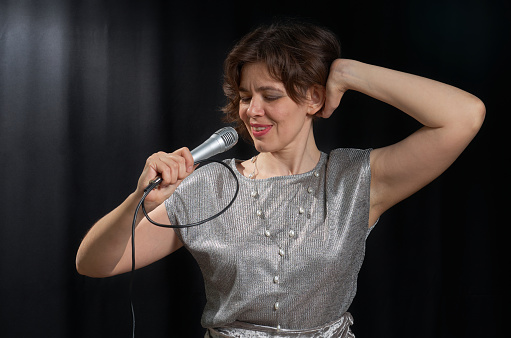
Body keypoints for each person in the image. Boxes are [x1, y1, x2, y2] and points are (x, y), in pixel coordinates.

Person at [76, 19, 485, 337]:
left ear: (314, 98)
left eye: (269, 96)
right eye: (244, 96)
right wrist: (137, 199)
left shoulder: (356, 180)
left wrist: (349, 73)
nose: (251, 110)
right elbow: (92, 263)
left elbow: (464, 116)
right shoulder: (210, 186)